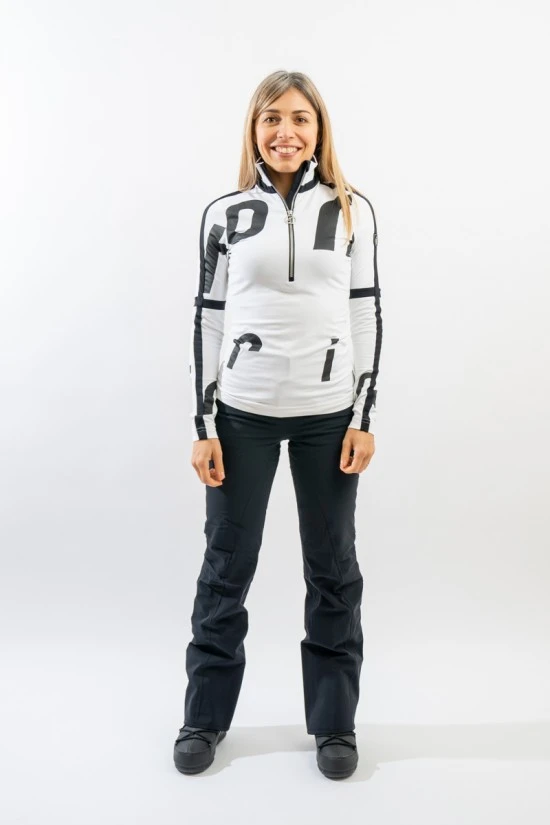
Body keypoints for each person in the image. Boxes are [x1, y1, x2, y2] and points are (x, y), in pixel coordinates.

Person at [173, 69, 383, 780]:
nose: (285, 132)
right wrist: (204, 423)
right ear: (254, 129)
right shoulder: (225, 213)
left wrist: (363, 414)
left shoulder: (353, 211)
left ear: (319, 130)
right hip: (243, 417)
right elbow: (208, 318)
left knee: (333, 569)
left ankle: (334, 723)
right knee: (226, 566)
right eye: (271, 118)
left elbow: (364, 311)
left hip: (328, 418)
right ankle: (204, 717)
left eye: (299, 118)